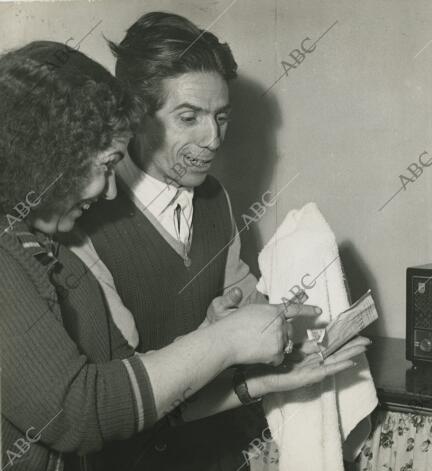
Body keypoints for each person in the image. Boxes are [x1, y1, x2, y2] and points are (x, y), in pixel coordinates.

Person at [0, 40, 367, 471]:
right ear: (49, 156)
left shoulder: (44, 248)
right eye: (104, 166)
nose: (111, 190)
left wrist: (260, 383)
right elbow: (80, 413)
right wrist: (222, 341)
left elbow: (133, 402)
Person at [70, 11, 334, 471]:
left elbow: (247, 303)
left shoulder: (215, 200)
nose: (213, 139)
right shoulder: (85, 220)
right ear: (134, 115)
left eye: (221, 117)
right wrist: (216, 340)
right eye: (188, 117)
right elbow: (117, 396)